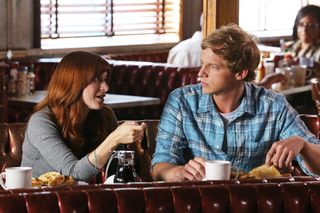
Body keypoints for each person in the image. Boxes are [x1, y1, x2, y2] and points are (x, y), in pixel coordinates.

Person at [151, 24, 320, 182]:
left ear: (240, 73)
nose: (201, 73)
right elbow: (159, 165)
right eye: (203, 64)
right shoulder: (182, 101)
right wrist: (178, 172)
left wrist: (303, 144)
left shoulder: (273, 105)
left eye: (213, 67)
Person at [21, 51, 147, 182]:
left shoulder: (105, 115)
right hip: (42, 199)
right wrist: (114, 138)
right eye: (97, 79)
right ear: (74, 83)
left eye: (105, 80)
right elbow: (73, 174)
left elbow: (115, 173)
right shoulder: (40, 122)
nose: (106, 87)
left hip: (90, 199)